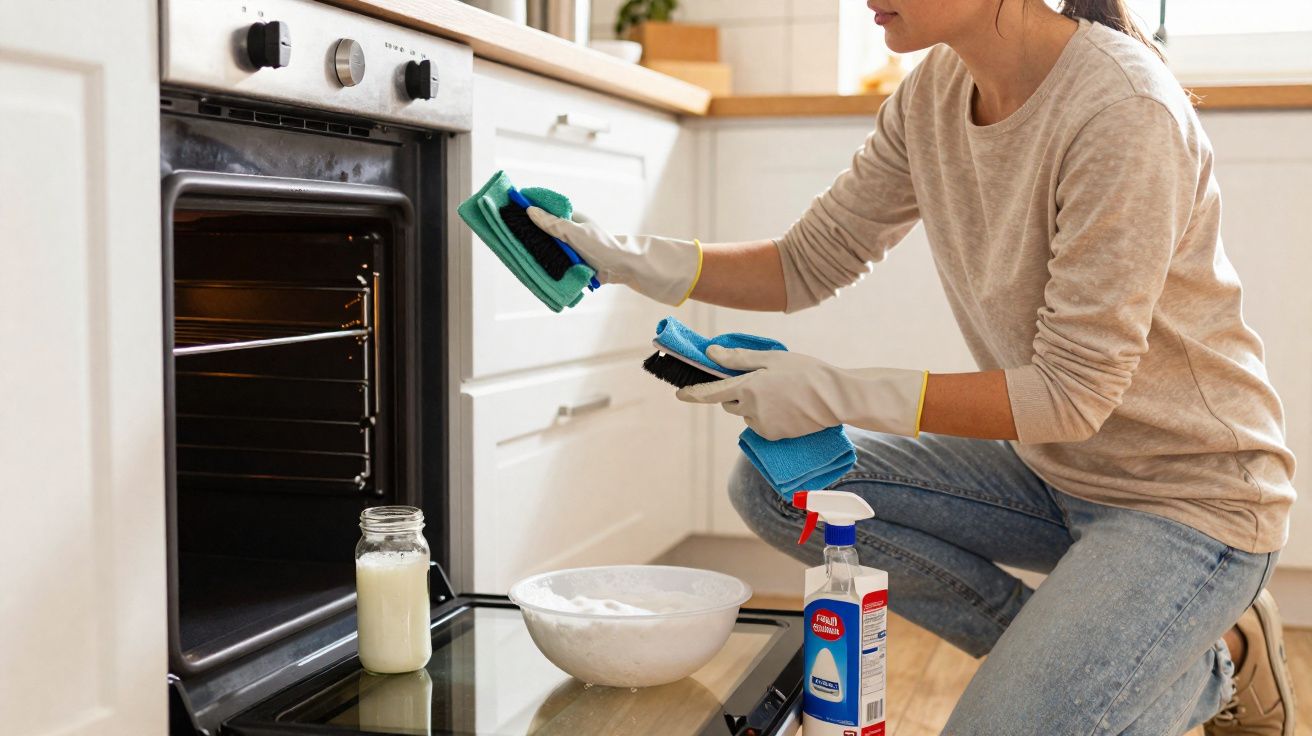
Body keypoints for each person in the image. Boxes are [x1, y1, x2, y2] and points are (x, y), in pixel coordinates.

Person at [527, 0, 1298, 733]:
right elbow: (808, 261)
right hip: (1052, 471)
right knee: (778, 485)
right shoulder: (935, 90)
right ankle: (1085, 658)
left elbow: (1070, 395)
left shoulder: (1123, 108)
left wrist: (836, 392)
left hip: (1189, 497)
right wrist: (637, 260)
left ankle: (1219, 662)